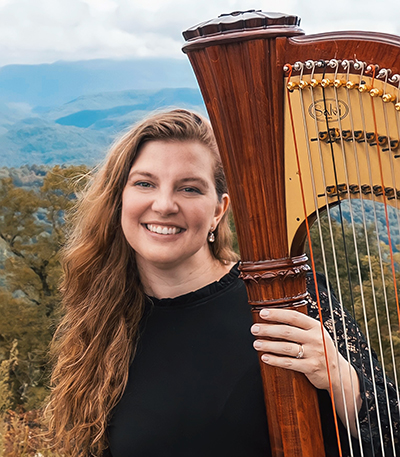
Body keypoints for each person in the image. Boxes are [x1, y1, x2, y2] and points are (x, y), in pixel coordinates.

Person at [43, 109, 399, 457]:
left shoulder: (288, 297)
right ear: (120, 197)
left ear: (218, 209)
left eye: (190, 188)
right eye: (145, 183)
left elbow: (392, 433)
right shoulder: (102, 315)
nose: (164, 204)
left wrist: (339, 376)